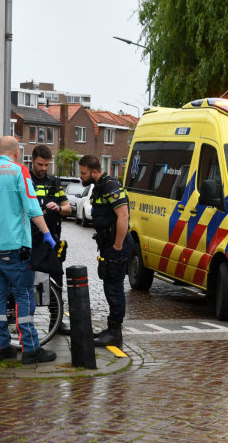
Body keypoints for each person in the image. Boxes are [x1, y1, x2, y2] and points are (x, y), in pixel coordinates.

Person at [0, 136, 57, 364]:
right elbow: (31, 207)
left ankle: (1, 347)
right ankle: (30, 349)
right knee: (23, 295)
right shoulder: (19, 172)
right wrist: (47, 234)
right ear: (17, 153)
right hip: (13, 245)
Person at [78, 155, 132, 348]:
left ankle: (115, 333)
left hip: (116, 245)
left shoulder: (111, 186)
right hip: (107, 244)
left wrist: (117, 246)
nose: (81, 176)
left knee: (115, 288)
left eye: (83, 173)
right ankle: (111, 328)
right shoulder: (99, 187)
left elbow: (123, 216)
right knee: (109, 285)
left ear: (94, 171)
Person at [29, 145, 73, 335]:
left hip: (51, 241)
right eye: (40, 164)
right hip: (30, 240)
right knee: (28, 283)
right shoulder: (25, 180)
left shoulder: (54, 182)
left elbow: (68, 208)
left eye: (47, 165)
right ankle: (26, 323)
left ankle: (56, 322)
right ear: (32, 161)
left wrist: (58, 208)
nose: (44, 168)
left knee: (56, 280)